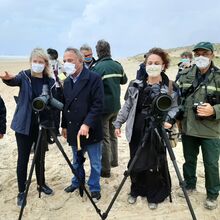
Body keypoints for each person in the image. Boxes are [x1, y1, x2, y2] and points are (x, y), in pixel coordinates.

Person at [113, 47, 179, 209]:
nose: (153, 65)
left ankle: (153, 195)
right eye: (150, 62)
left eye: (157, 63)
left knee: (154, 163)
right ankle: (135, 190)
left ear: (164, 65)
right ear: (145, 64)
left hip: (158, 130)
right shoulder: (135, 84)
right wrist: (118, 123)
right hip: (136, 128)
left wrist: (169, 120)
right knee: (135, 160)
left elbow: (176, 107)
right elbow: (127, 106)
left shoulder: (171, 87)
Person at [0, 48, 55, 207]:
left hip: (41, 125)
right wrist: (6, 79)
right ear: (31, 62)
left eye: (41, 62)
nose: (37, 64)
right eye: (35, 61)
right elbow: (13, 80)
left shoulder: (49, 81)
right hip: (24, 125)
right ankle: (21, 191)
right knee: (23, 159)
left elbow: (52, 101)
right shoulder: (24, 76)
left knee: (40, 158)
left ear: (45, 63)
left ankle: (41, 184)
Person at [176, 42, 220, 210]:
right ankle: (189, 184)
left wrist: (214, 110)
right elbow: (177, 99)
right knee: (189, 160)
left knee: (211, 163)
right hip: (188, 127)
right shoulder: (185, 75)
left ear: (212, 55)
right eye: (198, 53)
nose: (201, 56)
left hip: (212, 130)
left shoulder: (218, 76)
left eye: (205, 53)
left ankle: (212, 194)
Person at [61, 47, 104, 203]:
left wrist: (87, 124)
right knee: (76, 159)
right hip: (73, 127)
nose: (66, 63)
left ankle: (94, 187)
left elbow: (98, 105)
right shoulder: (66, 82)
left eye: (70, 60)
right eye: (65, 60)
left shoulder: (94, 78)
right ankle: (76, 181)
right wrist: (64, 125)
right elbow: (65, 105)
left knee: (95, 162)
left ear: (80, 61)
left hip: (90, 129)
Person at [92, 39, 128, 178]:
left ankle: (106, 169)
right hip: (116, 107)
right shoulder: (117, 65)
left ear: (98, 52)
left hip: (103, 109)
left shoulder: (97, 68)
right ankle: (114, 161)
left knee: (105, 138)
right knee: (113, 135)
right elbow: (124, 80)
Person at [47, 48, 64, 135]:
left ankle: (56, 130)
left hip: (59, 89)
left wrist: (62, 83)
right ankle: (52, 130)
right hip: (51, 89)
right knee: (53, 111)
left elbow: (62, 75)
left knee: (58, 110)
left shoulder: (59, 64)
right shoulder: (46, 65)